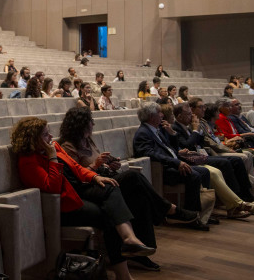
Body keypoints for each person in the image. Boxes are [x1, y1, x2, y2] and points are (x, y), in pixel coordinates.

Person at [12, 117, 156, 280]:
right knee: (109, 215)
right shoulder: (28, 161)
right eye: (45, 135)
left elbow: (76, 167)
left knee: (110, 187)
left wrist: (95, 177)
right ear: (33, 138)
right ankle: (124, 272)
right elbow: (53, 188)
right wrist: (52, 158)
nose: (51, 137)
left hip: (75, 193)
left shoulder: (54, 147)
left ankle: (129, 241)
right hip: (62, 206)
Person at [58, 106, 198, 272]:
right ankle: (168, 209)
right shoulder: (68, 147)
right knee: (133, 177)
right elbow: (78, 175)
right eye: (90, 121)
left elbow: (95, 164)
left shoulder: (88, 140)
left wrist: (109, 164)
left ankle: (140, 251)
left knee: (139, 197)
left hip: (104, 178)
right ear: (80, 124)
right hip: (92, 187)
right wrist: (96, 166)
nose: (93, 124)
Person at [163, 104, 254, 218]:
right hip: (189, 159)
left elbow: (200, 142)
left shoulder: (187, 126)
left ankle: (237, 201)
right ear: (179, 116)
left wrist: (197, 130)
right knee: (219, 166)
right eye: (188, 114)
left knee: (226, 164)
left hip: (197, 155)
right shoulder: (176, 127)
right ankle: (236, 201)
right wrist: (195, 130)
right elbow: (186, 145)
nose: (191, 116)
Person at [132, 103, 211, 224]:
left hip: (173, 163)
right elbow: (149, 153)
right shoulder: (143, 133)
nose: (162, 115)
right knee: (194, 175)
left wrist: (172, 134)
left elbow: (170, 149)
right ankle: (191, 216)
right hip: (163, 170)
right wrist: (176, 162)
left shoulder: (156, 129)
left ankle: (203, 212)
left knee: (204, 172)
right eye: (159, 112)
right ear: (151, 116)